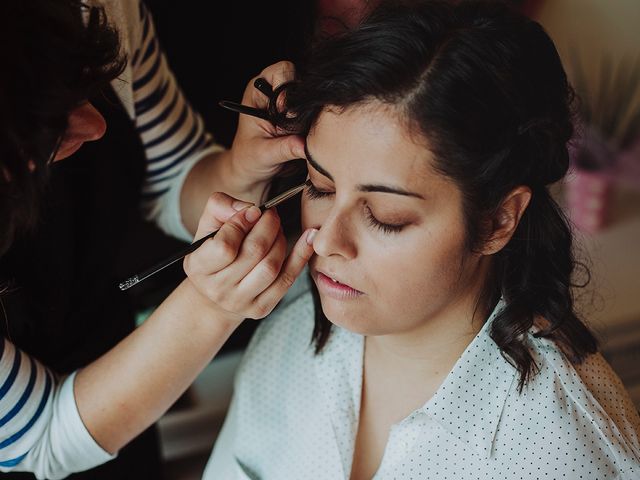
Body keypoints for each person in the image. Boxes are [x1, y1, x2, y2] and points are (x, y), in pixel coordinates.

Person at [202, 1, 640, 479]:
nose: (327, 240)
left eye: (387, 217)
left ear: (498, 220)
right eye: (320, 187)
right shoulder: (292, 329)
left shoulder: (563, 452)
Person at [0, 0, 312, 478]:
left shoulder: (93, 10)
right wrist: (212, 309)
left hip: (115, 351)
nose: (96, 125)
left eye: (87, 84)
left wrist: (239, 170)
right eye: (49, 131)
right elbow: (43, 437)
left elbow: (173, 173)